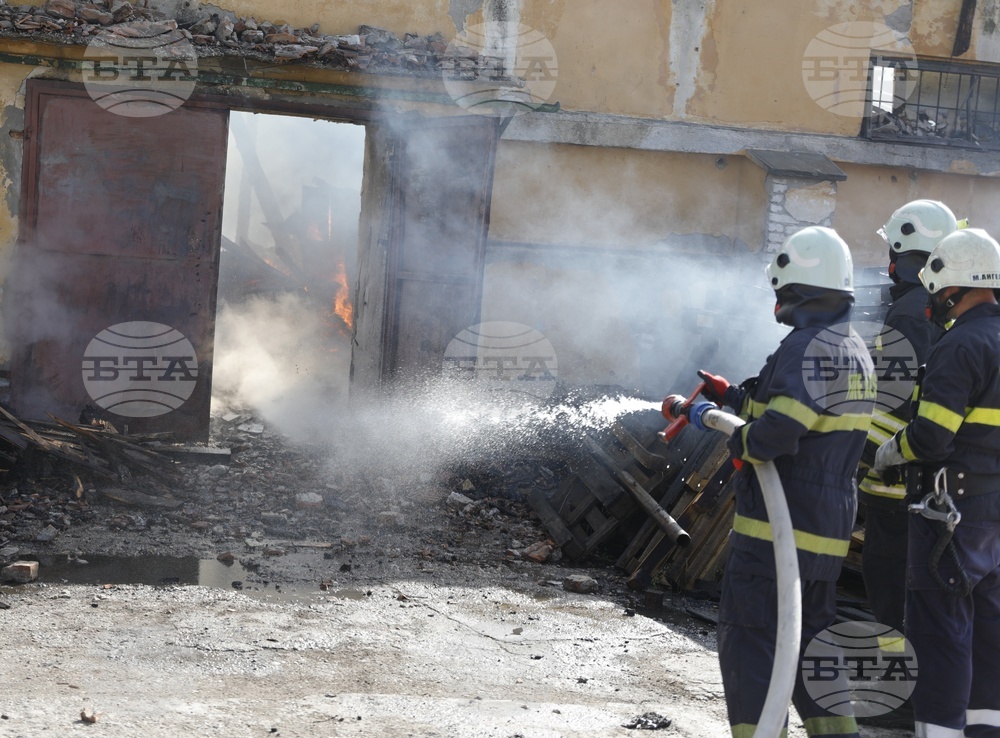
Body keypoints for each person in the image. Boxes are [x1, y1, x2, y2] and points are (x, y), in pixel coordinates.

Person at [699, 226, 876, 737]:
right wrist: (731, 398)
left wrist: (738, 439)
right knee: (808, 640)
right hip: (823, 533)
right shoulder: (851, 348)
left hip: (779, 533)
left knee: (751, 640)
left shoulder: (806, 347)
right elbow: (793, 413)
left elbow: (776, 433)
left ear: (794, 290)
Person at [874, 227, 1000, 738]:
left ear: (951, 287)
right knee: (990, 635)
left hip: (948, 516)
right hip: (993, 516)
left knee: (941, 635)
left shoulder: (960, 346)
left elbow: (930, 438)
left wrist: (890, 451)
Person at [859, 200, 958, 635]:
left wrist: (861, 458)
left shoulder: (908, 311)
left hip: (894, 482)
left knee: (889, 585)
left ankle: (898, 694)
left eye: (891, 253)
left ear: (901, 255)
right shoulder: (936, 305)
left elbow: (895, 402)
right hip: (926, 479)